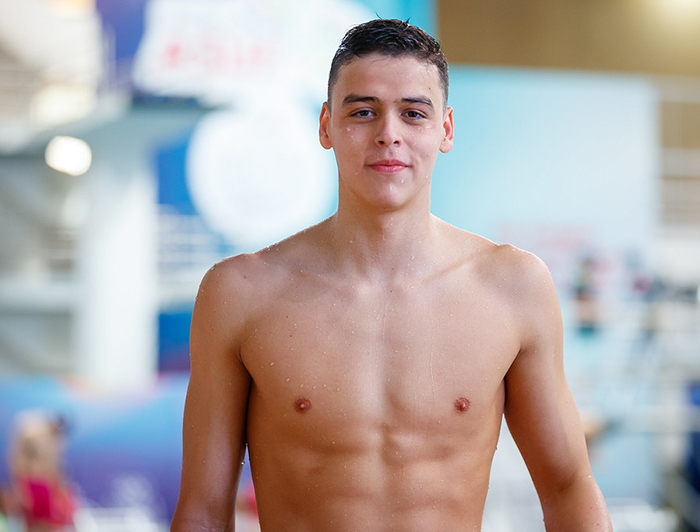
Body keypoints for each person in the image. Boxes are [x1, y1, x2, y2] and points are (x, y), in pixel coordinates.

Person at [171, 18, 612, 531]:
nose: (388, 135)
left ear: (445, 129)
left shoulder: (512, 287)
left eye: (413, 114)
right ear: (325, 125)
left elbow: (567, 486)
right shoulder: (240, 295)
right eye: (363, 112)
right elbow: (203, 510)